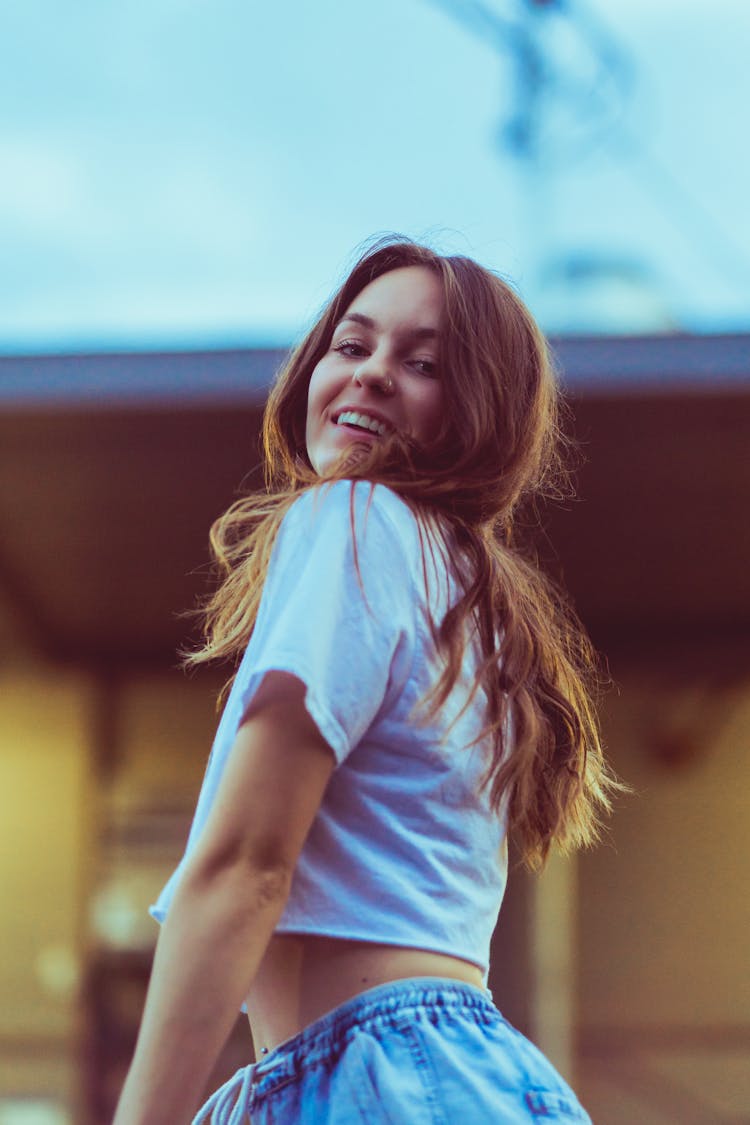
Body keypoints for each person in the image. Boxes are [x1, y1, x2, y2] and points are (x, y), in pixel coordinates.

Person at [113, 237, 621, 1124]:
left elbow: (243, 865)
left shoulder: (353, 519)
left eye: (421, 363)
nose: (373, 373)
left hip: (380, 1078)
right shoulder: (478, 599)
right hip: (461, 1074)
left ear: (481, 412)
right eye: (351, 346)